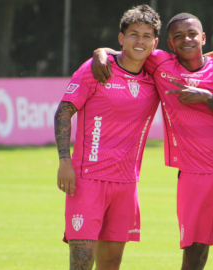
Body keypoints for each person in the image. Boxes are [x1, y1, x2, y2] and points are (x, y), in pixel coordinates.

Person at [91, 13, 213, 270]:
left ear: (203, 37)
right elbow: (131, 50)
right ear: (169, 44)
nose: (186, 39)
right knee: (194, 258)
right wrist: (101, 52)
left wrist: (207, 98)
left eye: (192, 34)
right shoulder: (160, 64)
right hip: (194, 177)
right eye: (178, 36)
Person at [54, 5, 161, 270]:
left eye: (147, 36)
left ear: (155, 42)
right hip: (87, 179)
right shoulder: (96, 69)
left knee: (111, 263)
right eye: (133, 34)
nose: (140, 40)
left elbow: (191, 59)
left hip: (126, 182)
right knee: (81, 262)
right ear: (121, 38)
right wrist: (64, 162)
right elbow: (63, 113)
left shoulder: (157, 74)